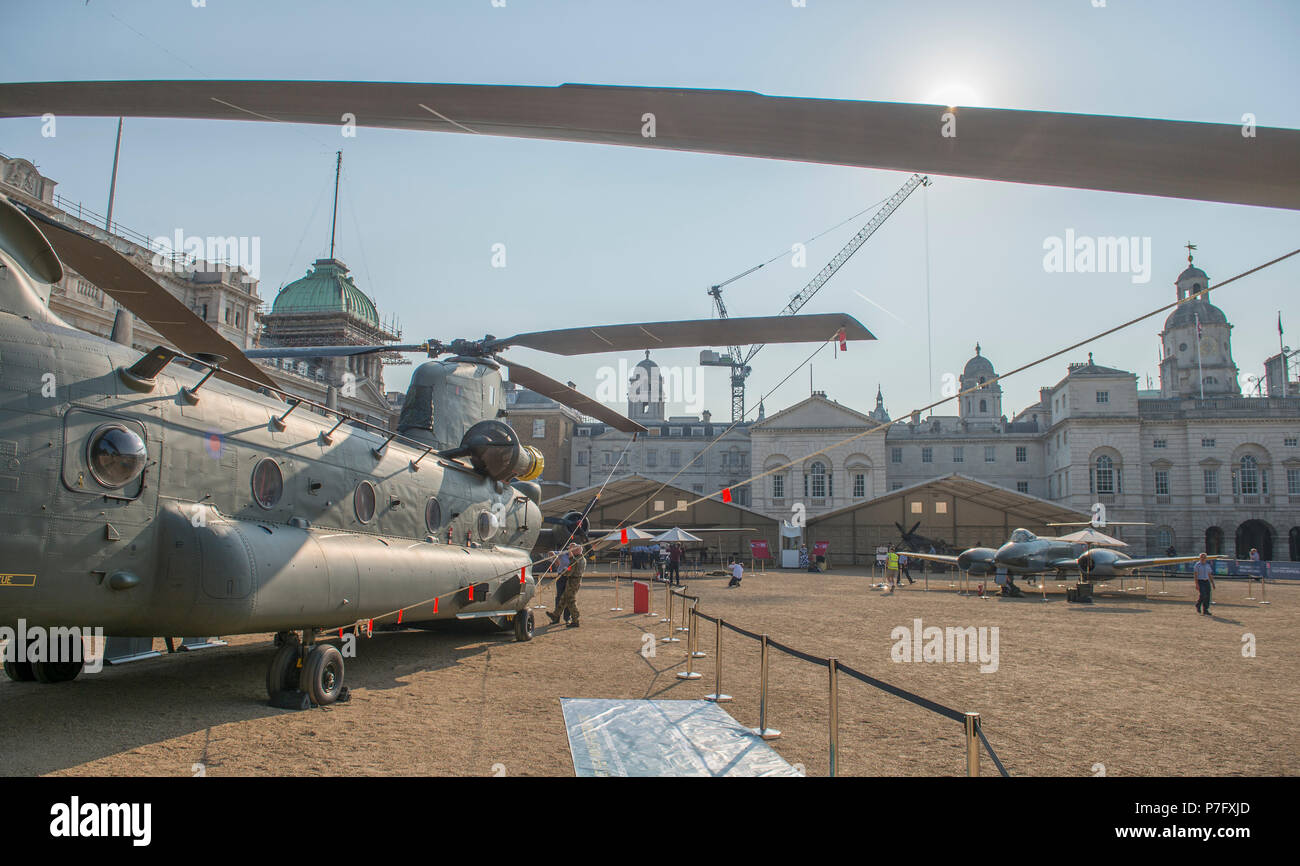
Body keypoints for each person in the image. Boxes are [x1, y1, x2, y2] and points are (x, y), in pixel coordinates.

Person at [550, 543, 585, 627]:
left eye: (573, 550)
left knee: (570, 600)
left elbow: (570, 572)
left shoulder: (577, 560)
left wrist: (564, 571)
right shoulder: (578, 558)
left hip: (573, 581)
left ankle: (575, 620)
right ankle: (556, 615)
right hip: (572, 580)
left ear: (577, 551)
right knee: (563, 598)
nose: (571, 551)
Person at [1193, 552, 1215, 616]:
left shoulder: (1207, 565)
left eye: (1204, 557)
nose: (1203, 558)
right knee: (1203, 594)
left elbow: (1210, 574)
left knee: (1208, 596)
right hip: (1200, 581)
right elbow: (1195, 575)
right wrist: (1196, 584)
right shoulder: (1197, 565)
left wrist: (1213, 583)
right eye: (1202, 557)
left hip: (1206, 581)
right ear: (1200, 558)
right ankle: (1198, 604)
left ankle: (1205, 610)